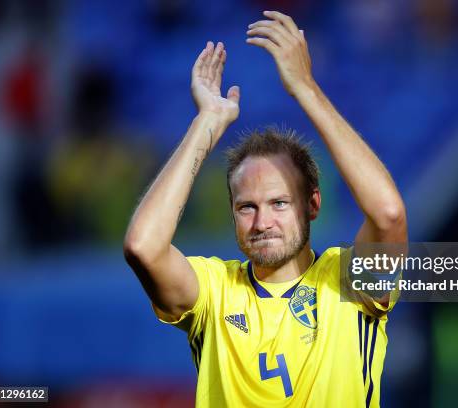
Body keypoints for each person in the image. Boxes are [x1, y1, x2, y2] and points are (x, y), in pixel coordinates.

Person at [124, 10, 407, 407]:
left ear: (312, 204)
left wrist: (306, 89)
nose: (262, 222)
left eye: (278, 203)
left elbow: (388, 213)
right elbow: (142, 246)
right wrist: (206, 126)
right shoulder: (215, 292)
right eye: (247, 207)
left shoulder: (349, 284)